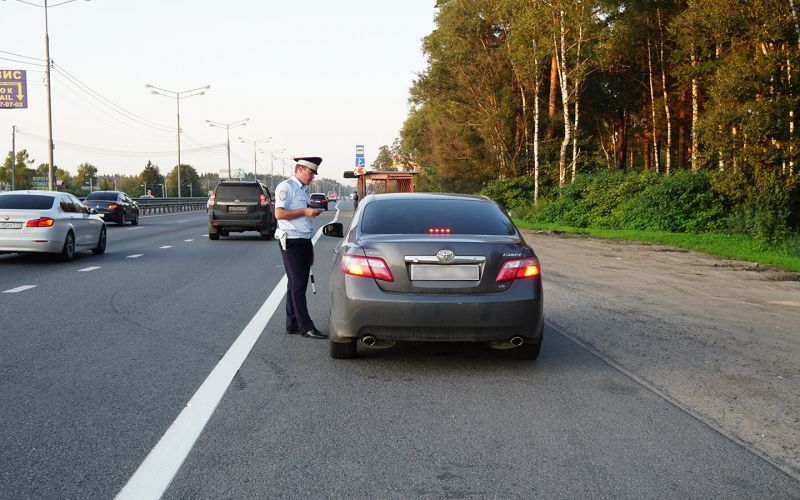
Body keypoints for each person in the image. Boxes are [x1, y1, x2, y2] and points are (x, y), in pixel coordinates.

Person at [274, 156, 327, 339]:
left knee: (294, 284)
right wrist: (305, 211)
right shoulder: (286, 187)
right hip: (291, 241)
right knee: (298, 286)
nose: (312, 176)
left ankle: (292, 323)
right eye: (310, 172)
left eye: (313, 173)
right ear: (299, 169)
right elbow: (279, 214)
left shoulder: (302, 190)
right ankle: (306, 326)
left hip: (303, 240)